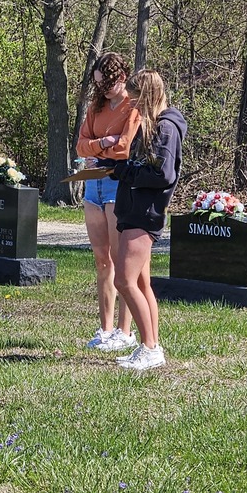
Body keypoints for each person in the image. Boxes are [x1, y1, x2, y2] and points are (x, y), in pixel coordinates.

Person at [99, 69, 187, 372]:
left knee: (123, 280)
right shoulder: (150, 127)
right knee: (140, 282)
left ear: (147, 96)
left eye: (136, 99)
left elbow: (163, 174)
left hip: (145, 212)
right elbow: (138, 163)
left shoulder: (166, 128)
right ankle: (151, 346)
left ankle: (150, 348)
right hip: (132, 208)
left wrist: (124, 173)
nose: (132, 105)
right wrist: (114, 165)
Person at [76, 51, 142, 352]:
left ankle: (125, 331)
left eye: (107, 84)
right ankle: (105, 329)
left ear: (122, 79)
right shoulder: (96, 106)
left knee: (122, 260)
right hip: (92, 185)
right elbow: (81, 145)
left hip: (118, 184)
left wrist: (100, 149)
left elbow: (125, 148)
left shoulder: (134, 107)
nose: (102, 90)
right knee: (102, 259)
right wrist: (103, 143)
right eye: (98, 85)